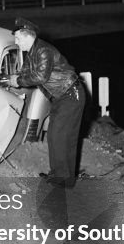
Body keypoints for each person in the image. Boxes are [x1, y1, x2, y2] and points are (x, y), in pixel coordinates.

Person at [13, 19, 85, 187]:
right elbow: (25, 73)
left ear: (28, 36)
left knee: (61, 136)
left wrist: (17, 80)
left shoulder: (43, 50)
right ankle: (60, 175)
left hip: (70, 95)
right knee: (55, 136)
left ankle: (64, 178)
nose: (16, 42)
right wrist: (11, 79)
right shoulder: (32, 52)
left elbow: (40, 77)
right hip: (61, 96)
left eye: (18, 38)